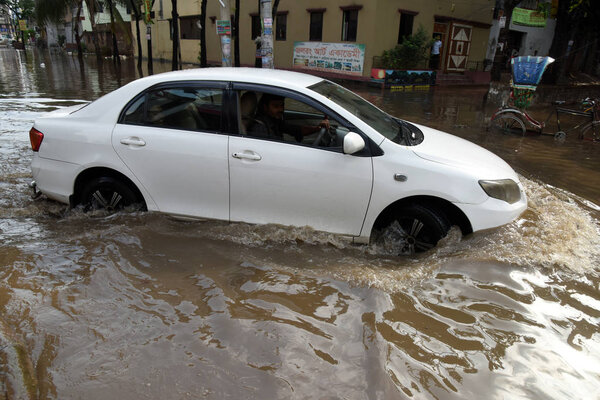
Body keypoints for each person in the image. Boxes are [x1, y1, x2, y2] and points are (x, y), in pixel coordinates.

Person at [249, 93, 330, 142]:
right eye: (275, 106)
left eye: (282, 105)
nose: (281, 109)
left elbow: (296, 130)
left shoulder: (274, 121)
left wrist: (318, 128)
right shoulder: (260, 128)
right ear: (265, 107)